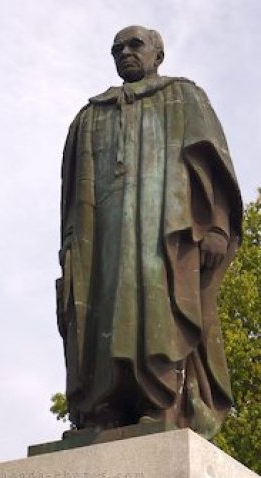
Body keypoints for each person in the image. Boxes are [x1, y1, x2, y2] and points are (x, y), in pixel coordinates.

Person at [56, 25, 242, 439]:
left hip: (163, 230)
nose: (124, 52)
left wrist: (214, 225)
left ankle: (157, 403)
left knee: (156, 306)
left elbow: (210, 165)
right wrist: (71, 248)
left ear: (158, 54)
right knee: (98, 311)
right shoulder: (89, 116)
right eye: (116, 48)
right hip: (100, 234)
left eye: (134, 45)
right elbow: (71, 196)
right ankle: (100, 409)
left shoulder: (184, 97)